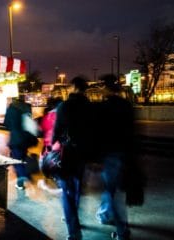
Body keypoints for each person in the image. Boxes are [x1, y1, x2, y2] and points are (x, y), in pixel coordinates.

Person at [95, 74, 136, 240]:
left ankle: (121, 231)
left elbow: (98, 133)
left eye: (102, 86)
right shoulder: (126, 105)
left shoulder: (104, 107)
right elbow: (132, 131)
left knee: (113, 192)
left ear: (106, 87)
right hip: (124, 152)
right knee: (112, 189)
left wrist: (96, 156)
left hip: (109, 153)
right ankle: (105, 214)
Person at [52, 76, 91, 240]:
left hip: (68, 152)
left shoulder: (65, 106)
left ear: (74, 87)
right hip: (84, 153)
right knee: (76, 186)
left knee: (67, 191)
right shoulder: (90, 107)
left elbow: (57, 129)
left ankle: (74, 231)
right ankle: (73, 218)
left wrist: (51, 146)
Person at [3, 95, 34, 190]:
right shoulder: (27, 107)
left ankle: (25, 175)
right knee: (22, 158)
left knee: (17, 161)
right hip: (26, 138)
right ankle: (20, 183)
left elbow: (6, 124)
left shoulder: (11, 108)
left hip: (16, 139)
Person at [37, 97, 63, 192]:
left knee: (48, 162)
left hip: (49, 144)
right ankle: (60, 182)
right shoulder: (63, 115)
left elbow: (42, 129)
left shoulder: (48, 115)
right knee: (58, 162)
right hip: (59, 144)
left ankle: (54, 179)